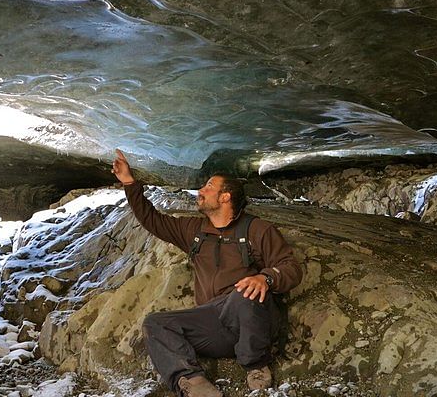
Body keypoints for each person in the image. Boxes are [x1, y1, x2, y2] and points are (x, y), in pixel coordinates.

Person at [111, 149, 303, 397]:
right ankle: (193, 382)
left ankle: (255, 365)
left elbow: (290, 267)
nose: (200, 191)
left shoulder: (257, 230)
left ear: (225, 196)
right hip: (212, 323)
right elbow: (153, 220)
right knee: (155, 324)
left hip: (249, 319)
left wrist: (264, 278)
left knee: (245, 291)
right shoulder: (194, 230)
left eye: (208, 186)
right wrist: (129, 183)